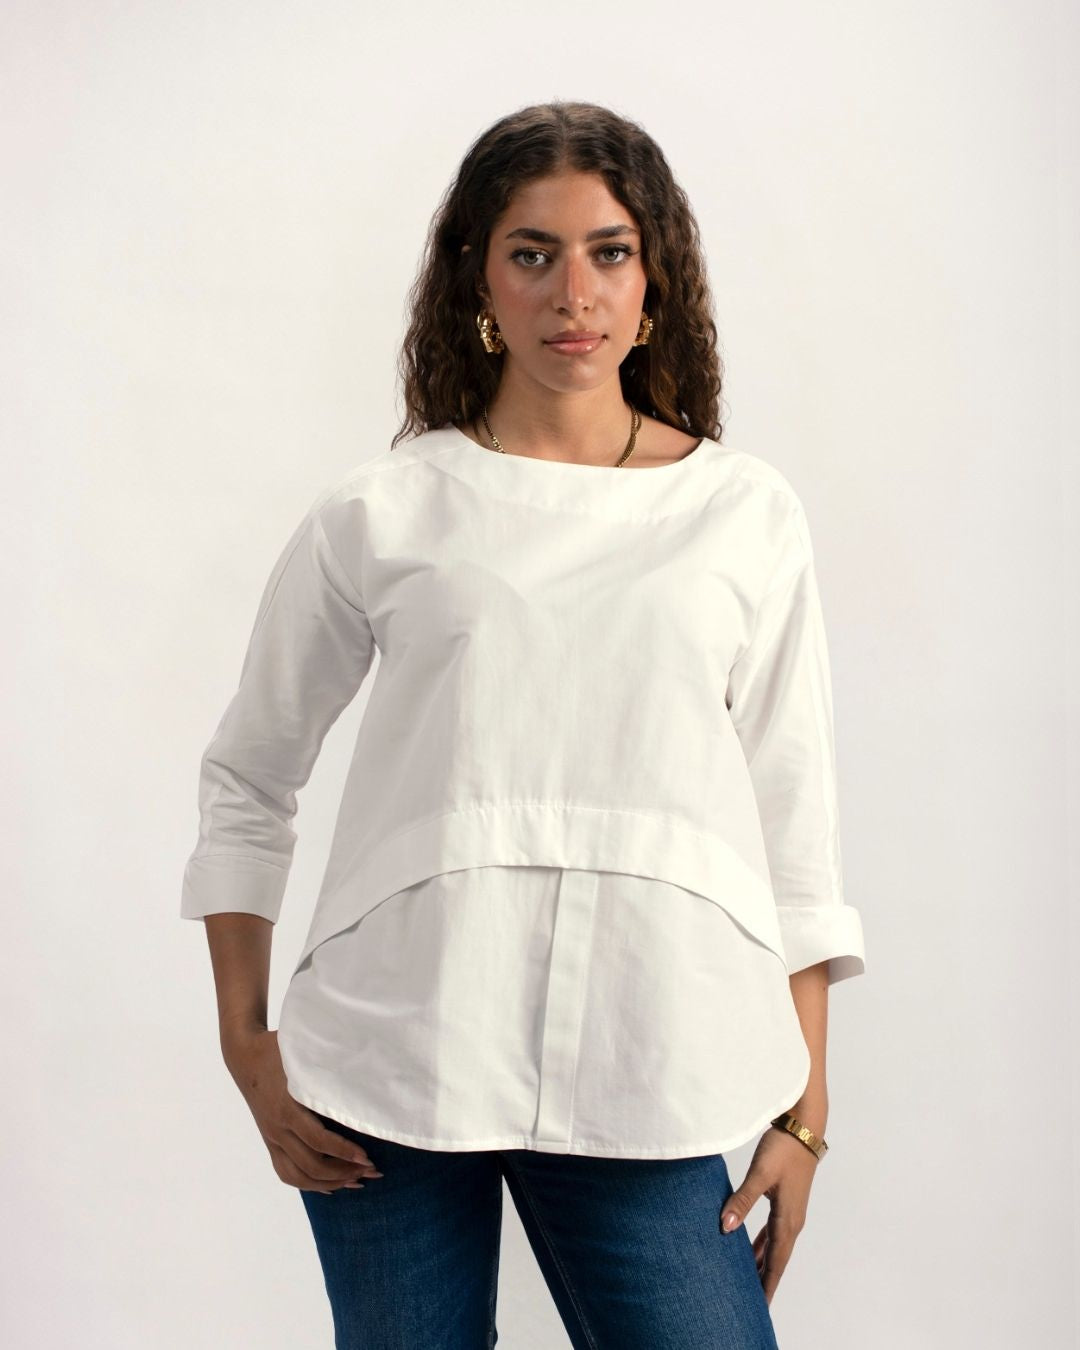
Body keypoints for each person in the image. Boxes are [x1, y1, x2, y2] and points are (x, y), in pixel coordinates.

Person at [181, 99, 865, 1350]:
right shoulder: (385, 510)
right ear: (480, 280)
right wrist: (244, 1044)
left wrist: (805, 1111)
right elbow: (249, 776)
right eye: (533, 254)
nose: (574, 294)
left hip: (645, 1063)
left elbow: (795, 831)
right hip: (391, 1064)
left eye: (609, 252)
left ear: (654, 278)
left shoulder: (744, 514)